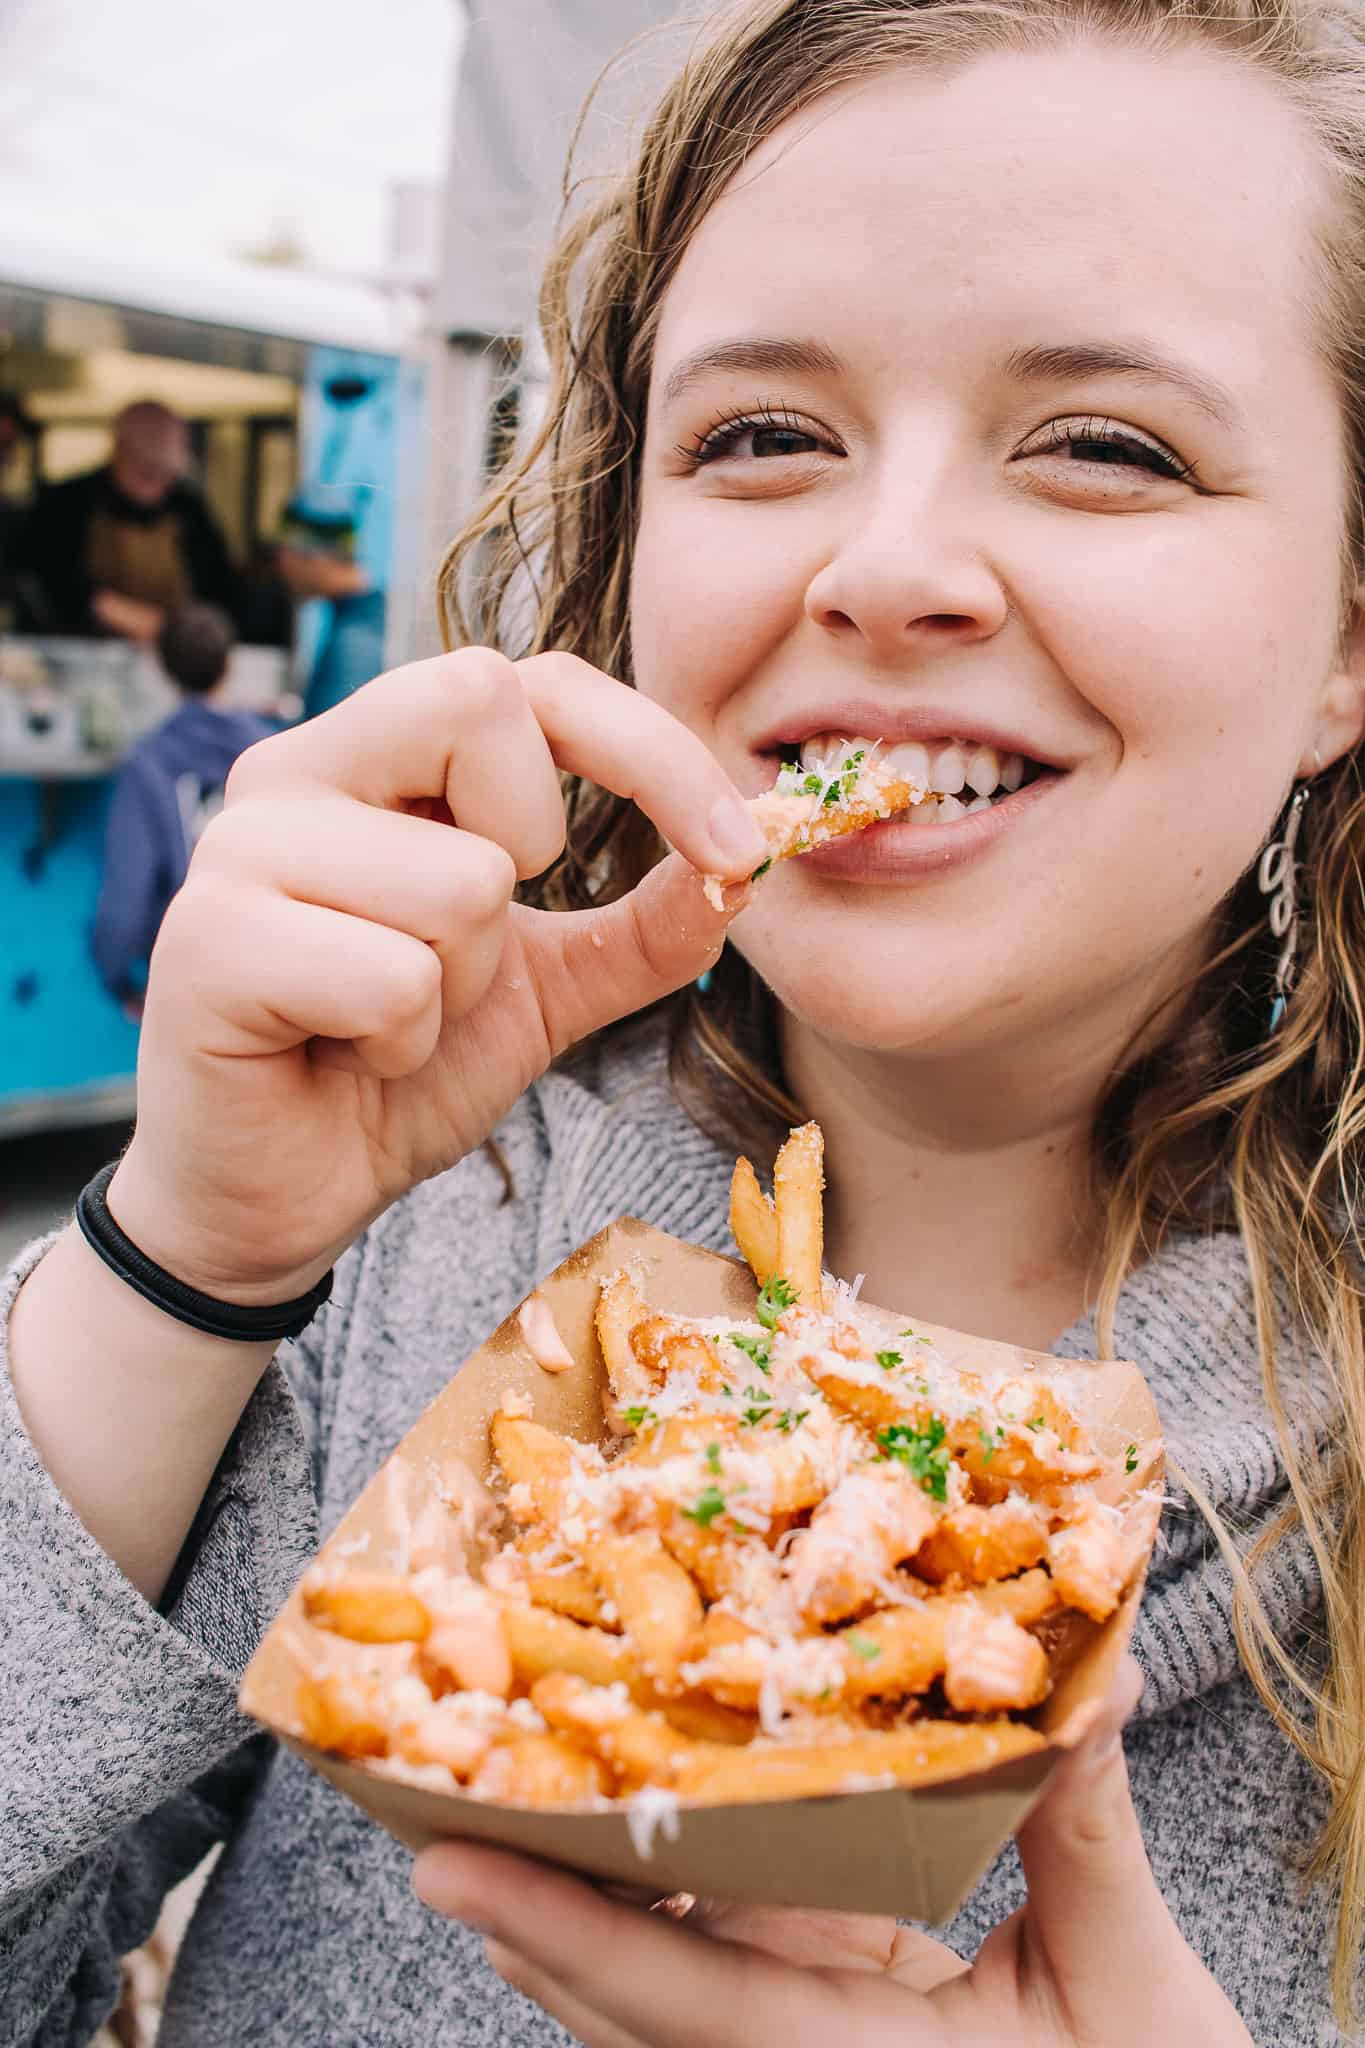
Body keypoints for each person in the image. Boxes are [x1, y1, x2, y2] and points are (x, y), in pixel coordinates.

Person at [2, 0, 1363, 2041]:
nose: (883, 565)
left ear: (1346, 630)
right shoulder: (417, 1248)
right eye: (760, 437)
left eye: (1105, 443)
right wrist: (179, 1265)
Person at [89, 604, 274, 1012]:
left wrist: (117, 979)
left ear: (163, 670)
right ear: (230, 662)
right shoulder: (273, 751)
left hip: (187, 975)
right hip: (268, 965)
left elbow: (127, 890)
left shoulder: (149, 765)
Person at [10, 399, 241, 641]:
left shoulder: (190, 511)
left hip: (177, 660)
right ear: (119, 451)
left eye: (165, 475)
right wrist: (114, 611)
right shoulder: (67, 503)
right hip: (81, 652)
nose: (155, 488)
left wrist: (188, 631)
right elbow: (42, 581)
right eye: (145, 472)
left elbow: (223, 592)